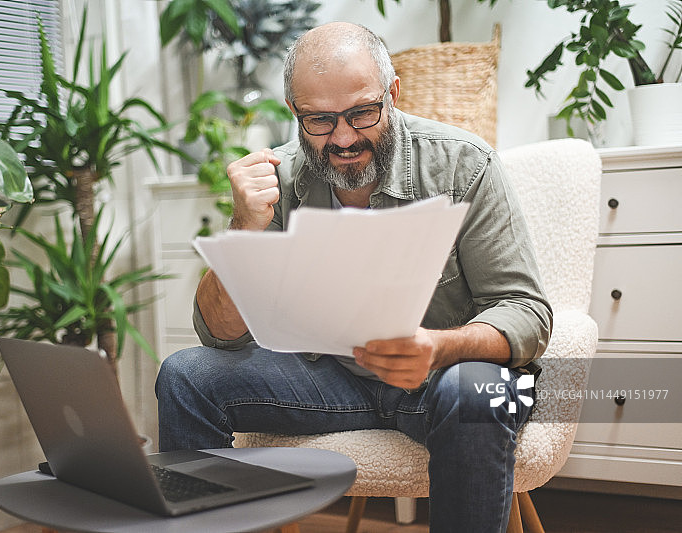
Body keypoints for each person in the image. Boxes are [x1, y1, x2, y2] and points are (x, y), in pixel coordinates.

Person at [156, 21, 552, 532]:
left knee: (474, 389)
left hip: (444, 381)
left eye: (362, 113)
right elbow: (219, 335)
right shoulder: (280, 177)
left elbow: (528, 312)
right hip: (334, 380)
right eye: (319, 120)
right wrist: (243, 229)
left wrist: (436, 347)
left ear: (393, 93)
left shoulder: (465, 165)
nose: (342, 137)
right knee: (186, 376)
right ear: (295, 112)